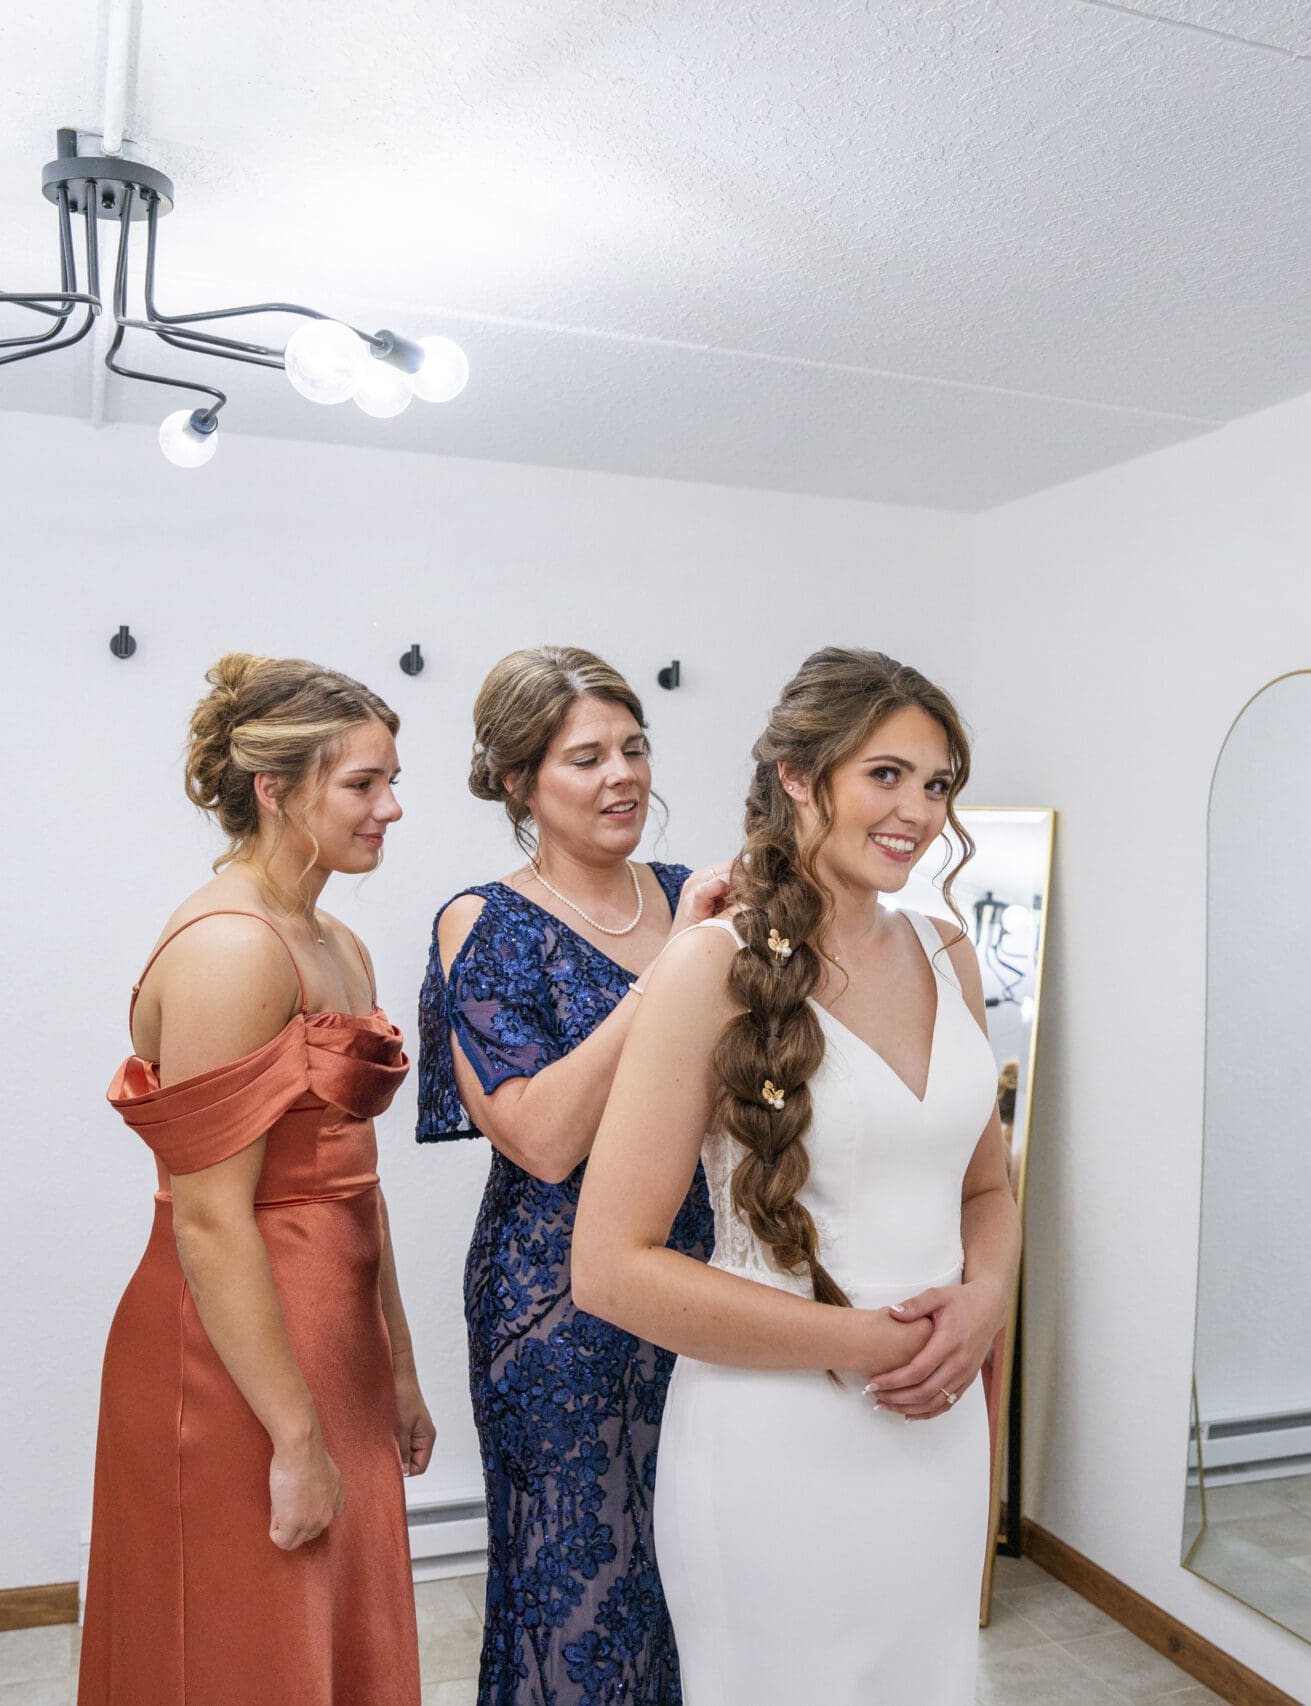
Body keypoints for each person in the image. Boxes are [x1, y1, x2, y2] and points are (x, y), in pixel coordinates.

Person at [572, 647, 1018, 1706]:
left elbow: (986, 1190)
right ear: (797, 776)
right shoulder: (709, 966)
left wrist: (987, 1300)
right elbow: (610, 1267)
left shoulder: (947, 949)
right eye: (886, 773)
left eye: (939, 780)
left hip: (939, 1435)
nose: (917, 808)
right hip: (774, 1450)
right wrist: (865, 1340)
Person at [83, 654, 431, 1706]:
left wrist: (397, 1365)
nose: (392, 807)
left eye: (390, 779)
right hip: (236, 1346)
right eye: (362, 783)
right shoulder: (233, 948)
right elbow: (210, 1217)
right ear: (275, 788)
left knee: (337, 1618)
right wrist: (292, 1431)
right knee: (245, 1636)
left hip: (337, 1331)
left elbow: (355, 1183)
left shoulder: (339, 940)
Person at [414, 646, 730, 1704]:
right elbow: (540, 1134)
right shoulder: (482, 920)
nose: (621, 775)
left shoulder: (695, 895)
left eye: (633, 748)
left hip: (701, 1278)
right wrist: (674, 971)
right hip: (554, 1310)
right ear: (518, 781)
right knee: (580, 1595)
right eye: (585, 756)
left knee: (693, 1578)